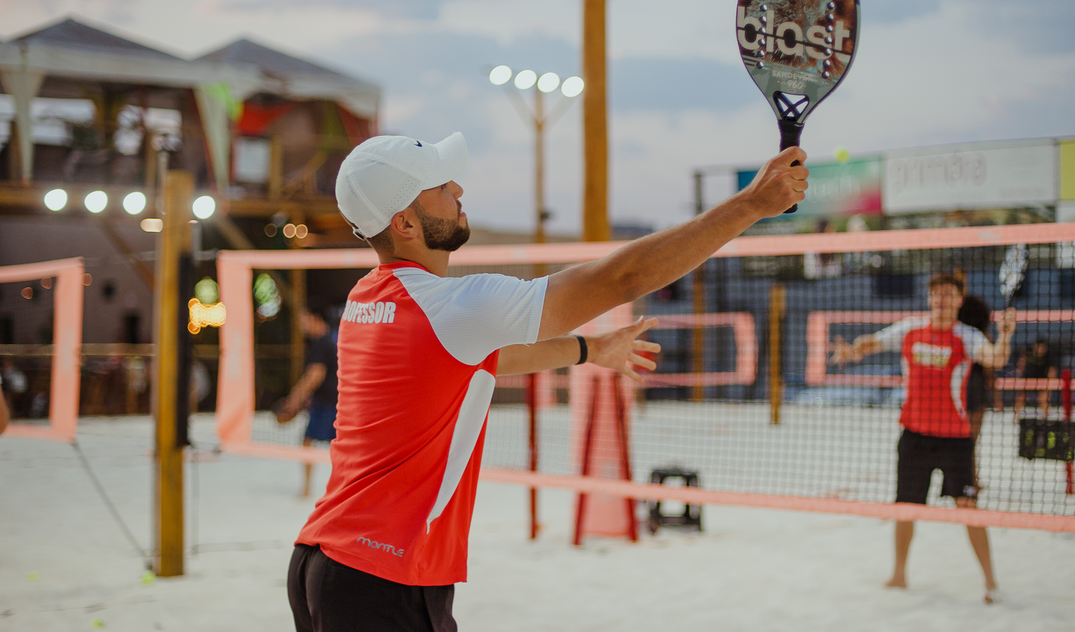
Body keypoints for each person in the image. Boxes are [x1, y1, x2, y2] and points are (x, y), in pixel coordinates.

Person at [287, 133, 808, 631]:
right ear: (404, 222)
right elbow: (621, 279)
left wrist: (590, 349)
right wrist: (749, 206)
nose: (459, 189)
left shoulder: (368, 299)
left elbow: (483, 359)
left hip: (326, 559)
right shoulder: (450, 306)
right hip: (380, 574)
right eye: (441, 186)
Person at [829, 273, 1014, 604]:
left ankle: (991, 582)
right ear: (929, 298)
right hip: (914, 436)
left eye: (948, 294)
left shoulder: (967, 336)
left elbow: (997, 357)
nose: (941, 299)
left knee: (969, 509)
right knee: (905, 508)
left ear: (958, 300)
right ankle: (898, 575)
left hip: (955, 440)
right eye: (936, 293)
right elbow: (873, 342)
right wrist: (853, 350)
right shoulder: (910, 329)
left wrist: (1007, 336)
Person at [275, 307, 340, 498]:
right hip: (331, 401)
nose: (300, 324)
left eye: (303, 319)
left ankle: (308, 488)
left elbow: (315, 375)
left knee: (311, 442)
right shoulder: (328, 340)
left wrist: (293, 400)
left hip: (328, 403)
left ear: (315, 318)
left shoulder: (322, 342)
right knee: (329, 444)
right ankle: (316, 488)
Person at [957, 294, 994, 490]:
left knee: (960, 439)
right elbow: (989, 370)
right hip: (976, 387)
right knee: (971, 440)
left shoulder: (958, 336)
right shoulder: (982, 338)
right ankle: (970, 480)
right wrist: (996, 395)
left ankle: (969, 480)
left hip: (959, 386)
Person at [1014, 337, 1058, 417]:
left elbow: (1052, 372)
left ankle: (1046, 417)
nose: (1039, 349)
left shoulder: (1049, 356)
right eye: (1037, 347)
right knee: (1021, 397)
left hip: (1042, 380)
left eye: (1041, 347)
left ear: (1045, 348)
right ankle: (1015, 415)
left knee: (1043, 398)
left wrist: (1049, 386)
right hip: (1028, 379)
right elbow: (1020, 366)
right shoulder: (1027, 352)